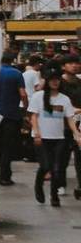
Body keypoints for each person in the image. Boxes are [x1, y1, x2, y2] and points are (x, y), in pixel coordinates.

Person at [28, 67, 81, 207]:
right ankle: (38, 185)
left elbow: (70, 118)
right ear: (47, 81)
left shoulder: (64, 99)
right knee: (46, 166)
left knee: (56, 168)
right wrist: (37, 133)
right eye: (52, 79)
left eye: (57, 79)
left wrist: (77, 134)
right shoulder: (38, 96)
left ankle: (54, 196)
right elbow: (33, 116)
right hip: (41, 138)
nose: (55, 82)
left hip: (58, 138)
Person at [0, 52, 28, 186]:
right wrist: (25, 110)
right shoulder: (16, 73)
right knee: (8, 146)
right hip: (11, 115)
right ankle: (5, 176)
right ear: (12, 60)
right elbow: (23, 94)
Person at [60, 54, 81, 199]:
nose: (74, 65)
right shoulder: (57, 83)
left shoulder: (80, 82)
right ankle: (60, 184)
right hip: (61, 126)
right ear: (63, 66)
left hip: (79, 126)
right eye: (70, 63)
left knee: (80, 157)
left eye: (77, 63)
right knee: (62, 157)